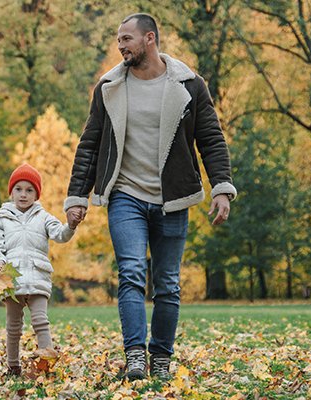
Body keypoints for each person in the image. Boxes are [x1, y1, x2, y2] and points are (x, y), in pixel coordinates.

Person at [64, 13, 236, 381]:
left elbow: (211, 139)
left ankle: (160, 355)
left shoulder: (189, 86)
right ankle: (135, 354)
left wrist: (221, 187)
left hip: (171, 199)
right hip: (125, 195)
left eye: (127, 38)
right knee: (130, 273)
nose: (121, 45)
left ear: (150, 39)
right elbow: (89, 145)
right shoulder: (109, 87)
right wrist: (77, 195)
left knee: (168, 283)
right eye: (118, 40)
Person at [0, 163, 76, 376]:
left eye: (29, 190)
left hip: (38, 278)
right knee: (13, 327)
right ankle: (13, 366)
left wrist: (70, 226)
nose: (23, 194)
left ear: (36, 194)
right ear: (11, 192)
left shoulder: (43, 217)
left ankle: (47, 363)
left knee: (40, 321)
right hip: (11, 279)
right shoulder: (1, 218)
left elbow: (60, 235)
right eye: (18, 189)